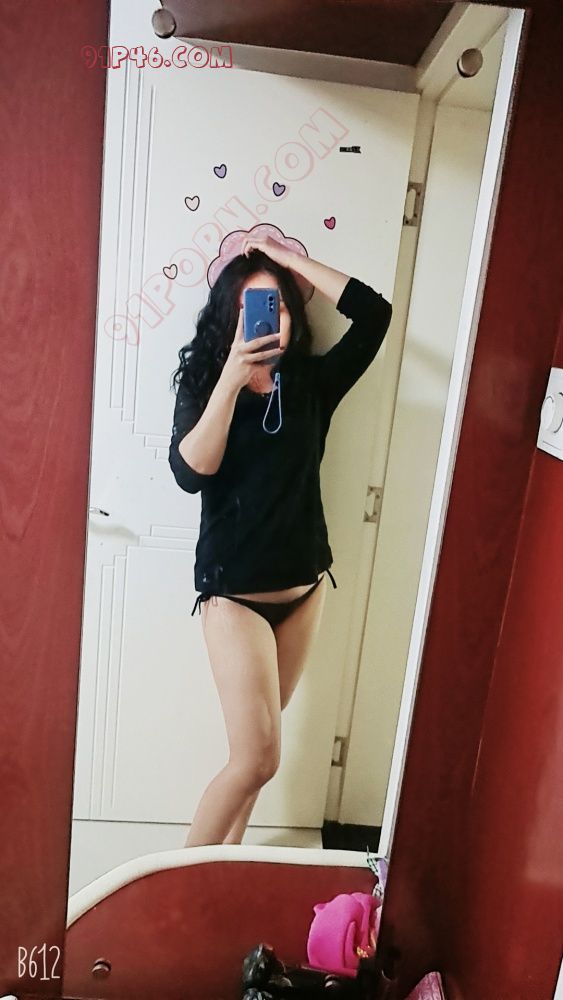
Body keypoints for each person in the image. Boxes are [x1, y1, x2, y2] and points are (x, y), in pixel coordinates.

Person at [168, 233, 393, 848]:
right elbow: (190, 473)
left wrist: (288, 260)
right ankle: (181, 885)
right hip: (233, 595)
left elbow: (375, 315)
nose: (267, 319)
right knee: (257, 759)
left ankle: (226, 864)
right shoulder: (203, 384)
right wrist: (231, 380)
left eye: (278, 305)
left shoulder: (314, 383)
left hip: (304, 589)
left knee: (258, 760)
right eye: (251, 306)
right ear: (229, 316)